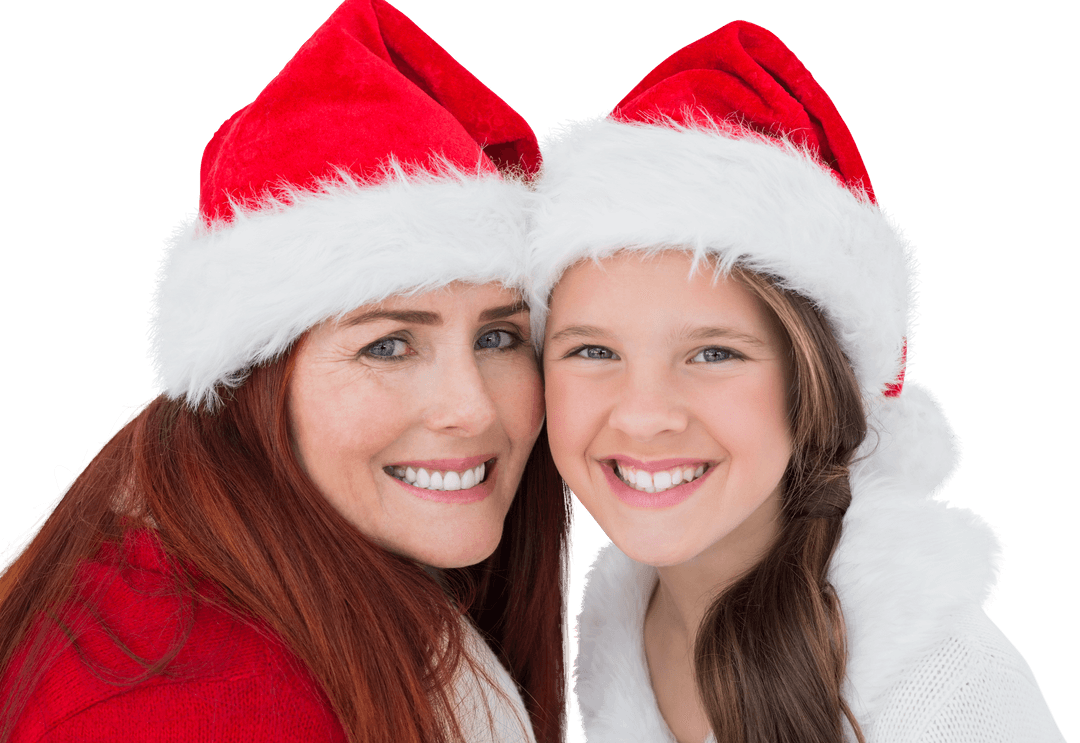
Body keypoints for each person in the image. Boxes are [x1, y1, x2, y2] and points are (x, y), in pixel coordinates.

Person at [0, 2, 572, 742]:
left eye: (499, 337)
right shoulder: (209, 702)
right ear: (252, 379)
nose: (474, 408)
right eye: (388, 346)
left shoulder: (284, 583)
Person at [528, 20, 1065, 743]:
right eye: (593, 351)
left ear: (810, 384)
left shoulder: (946, 693)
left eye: (713, 354)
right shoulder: (618, 631)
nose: (644, 415)